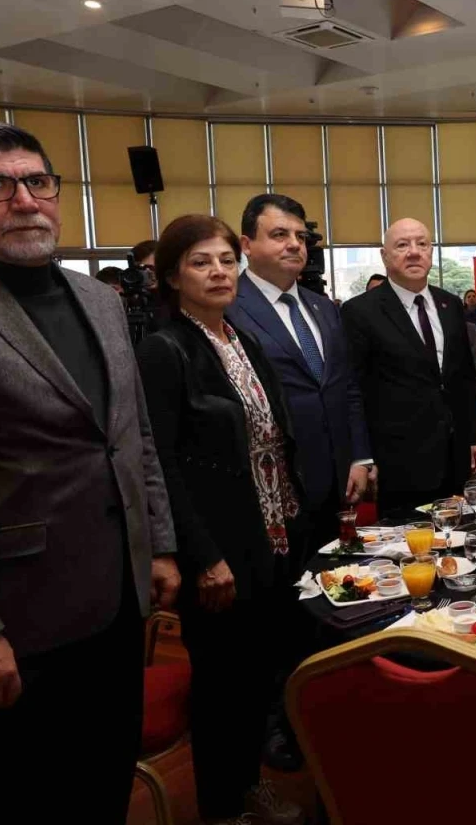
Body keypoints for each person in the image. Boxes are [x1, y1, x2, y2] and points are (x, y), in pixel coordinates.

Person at [0, 119, 179, 825]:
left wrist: (159, 544)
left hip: (116, 600)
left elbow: (133, 435)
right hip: (15, 617)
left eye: (38, 181)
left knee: (101, 779)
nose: (24, 200)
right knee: (22, 796)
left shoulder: (99, 300)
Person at [136, 214, 304, 825]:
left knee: (256, 676)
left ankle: (248, 785)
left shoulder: (242, 340)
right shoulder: (165, 349)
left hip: (270, 534)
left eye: (227, 260)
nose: (218, 272)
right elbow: (160, 463)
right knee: (220, 685)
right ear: (171, 276)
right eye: (201, 262)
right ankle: (221, 808)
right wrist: (203, 555)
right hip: (217, 548)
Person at [226, 193, 372, 770]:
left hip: (335, 483)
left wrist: (359, 456)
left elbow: (347, 388)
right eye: (278, 234)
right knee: (279, 614)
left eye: (300, 236)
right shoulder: (230, 307)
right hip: (272, 493)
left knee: (329, 600)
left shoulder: (322, 307)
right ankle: (279, 723)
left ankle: (328, 707)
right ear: (247, 245)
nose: (293, 245)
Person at [343, 218, 476, 513]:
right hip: (399, 464)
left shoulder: (450, 305)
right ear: (385, 256)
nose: (414, 252)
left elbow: (464, 377)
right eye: (402, 245)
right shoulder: (361, 311)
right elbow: (353, 390)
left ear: (431, 251)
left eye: (422, 244)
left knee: (459, 537)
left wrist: (474, 437)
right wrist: (363, 456)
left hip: (455, 457)